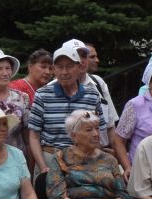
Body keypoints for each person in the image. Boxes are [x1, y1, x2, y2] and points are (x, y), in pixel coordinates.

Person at [24, 41, 101, 174]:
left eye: (69, 66)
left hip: (84, 160)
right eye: (60, 67)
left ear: (79, 67)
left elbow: (98, 133)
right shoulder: (43, 95)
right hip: (50, 158)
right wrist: (43, 166)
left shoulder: (92, 95)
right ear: (54, 70)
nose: (64, 72)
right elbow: (34, 136)